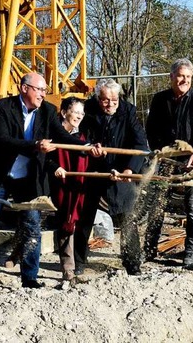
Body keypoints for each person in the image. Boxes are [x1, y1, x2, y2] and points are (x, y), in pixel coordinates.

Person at [0, 72, 99, 289]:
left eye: (45, 90)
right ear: (24, 88)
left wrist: (86, 148)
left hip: (29, 178)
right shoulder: (2, 107)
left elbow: (61, 136)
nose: (43, 94)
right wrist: (35, 145)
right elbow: (3, 140)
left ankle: (29, 276)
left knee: (32, 227)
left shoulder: (47, 110)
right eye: (39, 89)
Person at [146, 58, 193, 267]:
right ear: (171, 77)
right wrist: (159, 151)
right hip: (168, 161)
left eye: (188, 76)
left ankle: (190, 253)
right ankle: (149, 250)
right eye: (180, 75)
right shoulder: (160, 100)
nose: (184, 80)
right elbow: (151, 129)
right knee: (157, 204)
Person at [79, 78, 149, 275]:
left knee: (127, 215)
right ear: (97, 98)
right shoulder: (87, 111)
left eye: (114, 100)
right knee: (84, 216)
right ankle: (79, 260)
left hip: (120, 170)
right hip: (92, 170)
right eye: (105, 100)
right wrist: (90, 147)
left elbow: (140, 144)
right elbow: (79, 137)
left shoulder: (128, 112)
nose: (110, 105)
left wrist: (130, 170)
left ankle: (132, 263)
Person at [46, 97, 90, 281]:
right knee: (63, 222)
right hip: (53, 185)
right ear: (64, 112)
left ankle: (70, 267)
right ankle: (67, 268)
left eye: (82, 113)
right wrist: (54, 166)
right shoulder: (52, 133)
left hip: (75, 186)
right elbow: (42, 158)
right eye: (75, 112)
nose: (79, 116)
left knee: (71, 222)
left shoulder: (80, 137)